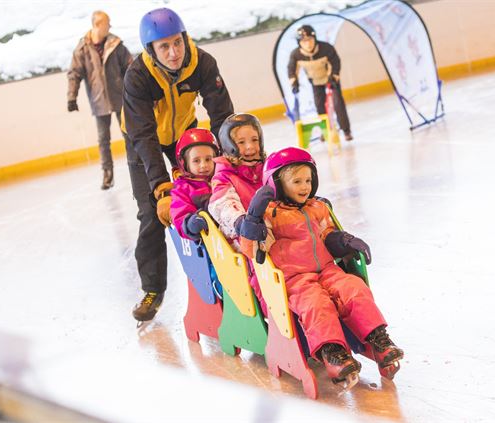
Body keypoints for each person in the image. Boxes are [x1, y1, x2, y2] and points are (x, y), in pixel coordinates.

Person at [238, 147, 403, 383]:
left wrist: (345, 240)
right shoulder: (269, 214)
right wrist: (253, 218)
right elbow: (251, 250)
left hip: (327, 270)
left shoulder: (318, 207)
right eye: (296, 181)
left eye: (308, 180)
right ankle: (333, 354)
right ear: (275, 184)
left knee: (354, 288)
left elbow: (327, 234)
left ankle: (379, 341)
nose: (304, 186)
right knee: (316, 303)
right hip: (294, 280)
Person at [122, 8, 234, 322]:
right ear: (151, 51)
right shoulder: (138, 76)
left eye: (177, 43)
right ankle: (153, 289)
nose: (173, 53)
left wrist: (229, 162)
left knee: (213, 198)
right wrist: (161, 187)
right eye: (164, 47)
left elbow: (222, 115)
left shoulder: (202, 63)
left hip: (185, 133)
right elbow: (143, 135)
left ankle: (225, 273)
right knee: (151, 214)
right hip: (142, 142)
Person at [208, 113, 267, 314]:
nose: (250, 147)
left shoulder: (267, 169)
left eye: (254, 140)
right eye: (241, 142)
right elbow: (221, 203)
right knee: (263, 268)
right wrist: (241, 221)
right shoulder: (224, 176)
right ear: (229, 145)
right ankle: (273, 312)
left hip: (271, 233)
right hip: (244, 241)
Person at [67, 10, 133, 189]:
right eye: (107, 22)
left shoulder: (116, 44)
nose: (110, 26)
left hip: (120, 96)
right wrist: (72, 96)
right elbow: (74, 73)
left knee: (129, 133)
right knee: (103, 139)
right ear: (97, 25)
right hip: (99, 99)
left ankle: (136, 165)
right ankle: (107, 174)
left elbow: (130, 67)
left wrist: (136, 91)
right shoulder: (83, 48)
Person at [287, 25, 353, 141]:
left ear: (315, 39)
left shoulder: (326, 48)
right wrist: (294, 83)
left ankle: (346, 130)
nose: (308, 44)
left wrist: (334, 78)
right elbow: (292, 70)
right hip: (315, 82)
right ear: (299, 42)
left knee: (338, 104)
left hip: (330, 80)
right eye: (304, 41)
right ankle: (325, 130)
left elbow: (336, 63)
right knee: (320, 106)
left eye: (310, 40)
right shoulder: (296, 54)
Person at [169, 128, 219, 241]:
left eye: (208, 159)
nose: (203, 165)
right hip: (210, 242)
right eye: (196, 161)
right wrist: (190, 224)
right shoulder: (182, 189)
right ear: (185, 163)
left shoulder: (223, 177)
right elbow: (180, 214)